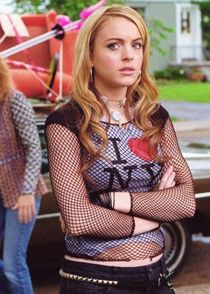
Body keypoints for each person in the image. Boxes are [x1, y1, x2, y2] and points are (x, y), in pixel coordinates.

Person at [45, 4, 196, 294]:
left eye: (136, 45)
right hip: (95, 282)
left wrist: (112, 200)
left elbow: (186, 201)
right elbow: (78, 218)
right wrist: (157, 208)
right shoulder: (66, 121)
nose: (129, 55)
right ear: (89, 55)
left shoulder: (154, 117)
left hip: (157, 278)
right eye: (114, 45)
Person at [0, 56, 48, 294]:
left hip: (22, 192)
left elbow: (33, 148)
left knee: (12, 263)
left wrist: (27, 191)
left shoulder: (13, 100)